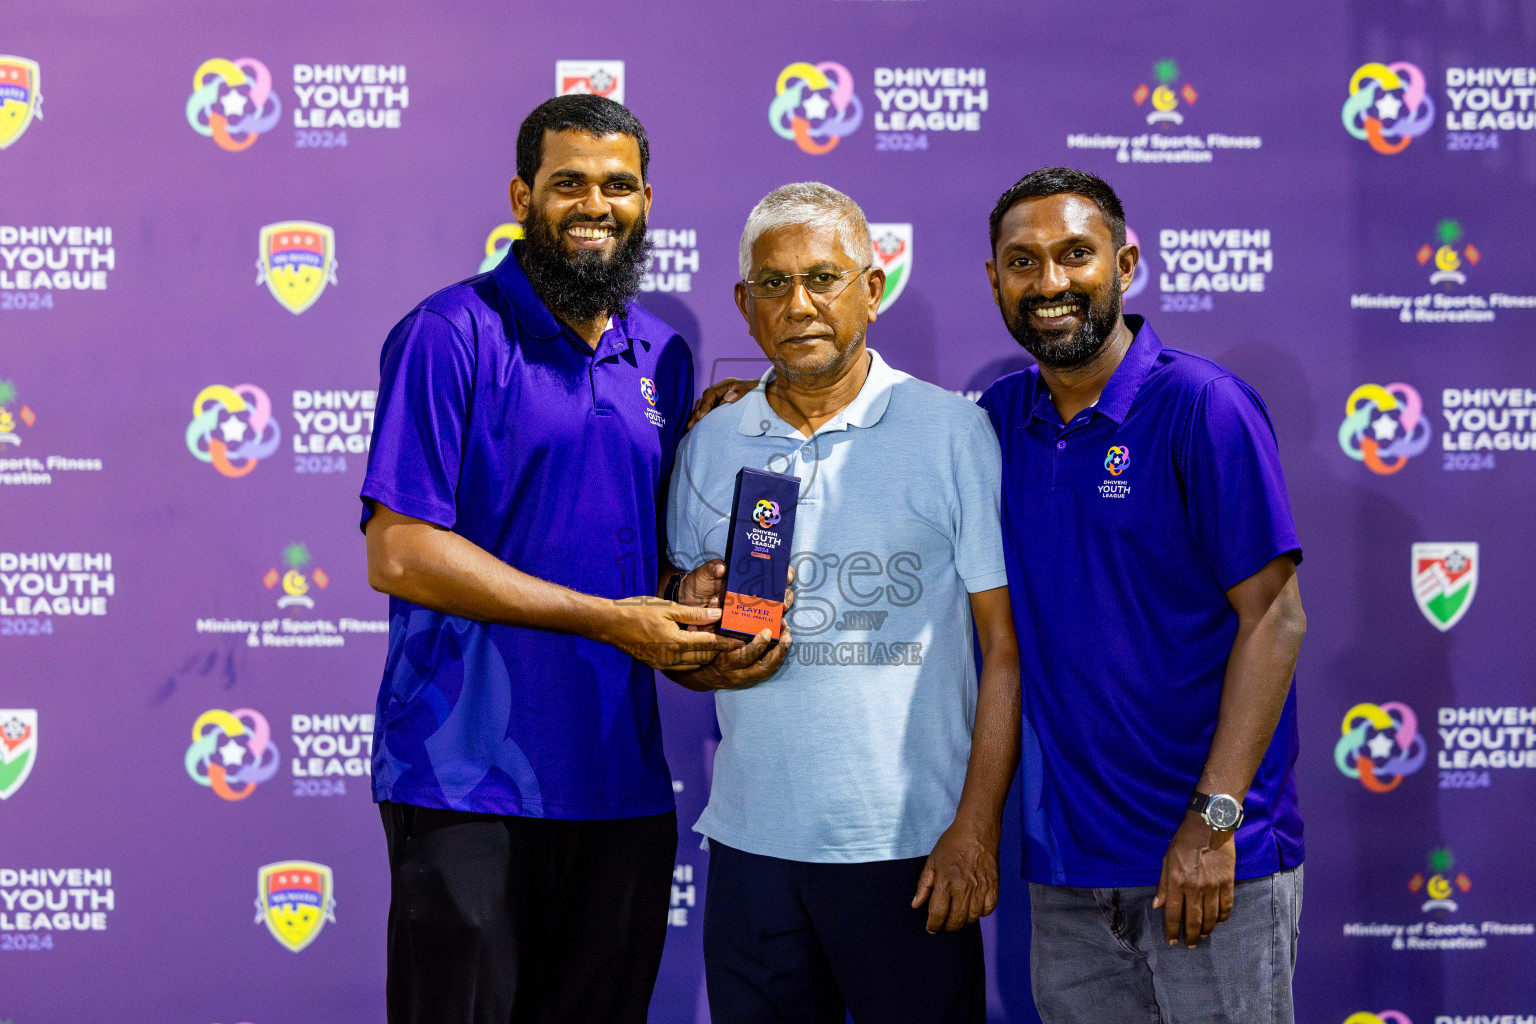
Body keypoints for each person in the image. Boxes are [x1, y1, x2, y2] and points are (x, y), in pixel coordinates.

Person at [359, 94, 744, 1024]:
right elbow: (400, 554)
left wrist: (677, 595)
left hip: (621, 786)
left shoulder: (664, 355)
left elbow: (627, 558)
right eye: (567, 182)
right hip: (466, 779)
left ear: (647, 199)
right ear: (522, 194)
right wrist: (611, 619)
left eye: (618, 185)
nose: (594, 204)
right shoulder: (448, 334)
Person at [665, 182, 1021, 1024]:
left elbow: (1002, 650)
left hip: (910, 852)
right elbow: (681, 654)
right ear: (746, 307)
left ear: (871, 288)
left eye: (824, 278)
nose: (801, 305)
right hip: (752, 850)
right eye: (775, 285)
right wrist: (695, 618)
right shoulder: (710, 442)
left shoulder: (951, 433)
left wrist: (974, 828)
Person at [978, 167, 1307, 1023]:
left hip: (1206, 861)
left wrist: (1214, 821)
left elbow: (1275, 617)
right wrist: (750, 403)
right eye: (1023, 262)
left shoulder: (1204, 406)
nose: (1049, 284)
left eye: (1075, 255)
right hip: (1068, 869)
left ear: (1125, 263)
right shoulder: (996, 419)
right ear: (994, 281)